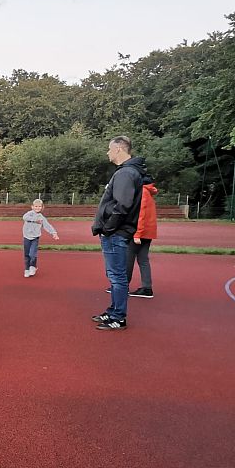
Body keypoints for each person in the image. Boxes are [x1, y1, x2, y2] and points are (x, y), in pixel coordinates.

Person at [91, 136, 147, 330]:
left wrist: (108, 228)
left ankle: (118, 317)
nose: (107, 152)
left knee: (117, 276)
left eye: (109, 149)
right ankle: (113, 310)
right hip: (116, 232)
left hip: (116, 232)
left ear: (119, 150)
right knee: (114, 275)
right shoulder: (127, 172)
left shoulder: (126, 173)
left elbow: (122, 205)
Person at [127, 182, 158, 298]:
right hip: (148, 231)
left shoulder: (142, 192)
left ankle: (122, 286)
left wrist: (137, 233)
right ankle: (147, 287)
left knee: (128, 258)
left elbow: (141, 214)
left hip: (140, 231)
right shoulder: (149, 191)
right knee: (143, 259)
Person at [22, 199, 59, 277]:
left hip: (35, 237)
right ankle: (27, 269)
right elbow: (24, 217)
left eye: (39, 206)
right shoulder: (29, 214)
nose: (37, 208)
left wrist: (54, 233)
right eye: (36, 206)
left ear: (42, 207)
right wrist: (35, 220)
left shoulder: (41, 218)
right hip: (26, 237)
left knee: (32, 254)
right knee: (26, 254)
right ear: (32, 207)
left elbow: (47, 226)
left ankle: (33, 267)